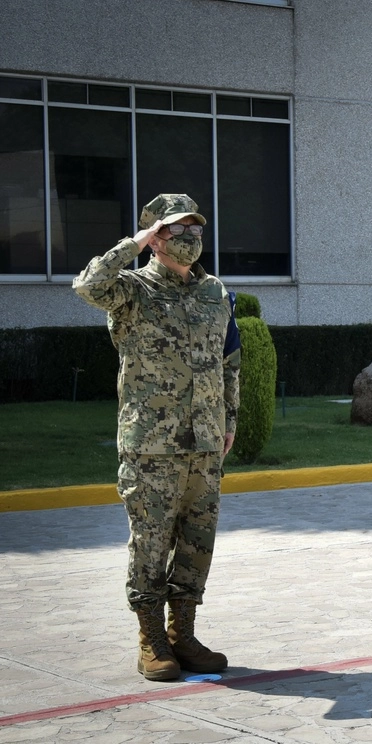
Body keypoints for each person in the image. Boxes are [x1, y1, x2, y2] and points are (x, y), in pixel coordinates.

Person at [73, 194, 241, 681]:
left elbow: (230, 362)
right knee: (150, 542)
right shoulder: (132, 289)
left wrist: (229, 421)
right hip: (151, 444)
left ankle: (182, 634)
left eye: (195, 228)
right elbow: (88, 284)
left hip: (205, 443)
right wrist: (134, 243)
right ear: (155, 237)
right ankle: (151, 640)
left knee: (196, 542)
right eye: (176, 229)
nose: (190, 237)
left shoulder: (215, 293)